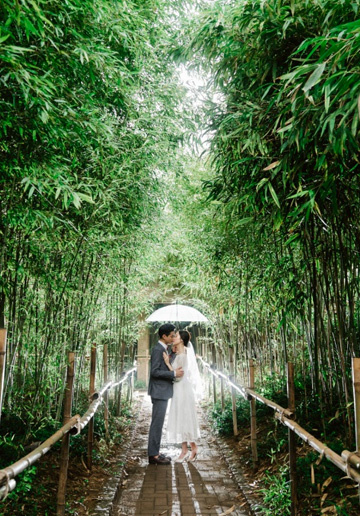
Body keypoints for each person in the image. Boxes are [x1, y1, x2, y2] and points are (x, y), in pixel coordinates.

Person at [147, 323, 184, 465]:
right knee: (157, 423)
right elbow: (154, 372)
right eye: (172, 335)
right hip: (159, 391)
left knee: (158, 422)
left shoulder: (164, 348)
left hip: (161, 391)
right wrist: (173, 373)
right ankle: (153, 455)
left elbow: (164, 365)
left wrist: (173, 354)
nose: (174, 337)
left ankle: (155, 452)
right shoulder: (157, 349)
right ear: (164, 336)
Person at [163, 330, 202, 462]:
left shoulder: (183, 355)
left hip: (183, 389)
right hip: (179, 389)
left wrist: (168, 363)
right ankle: (186, 449)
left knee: (184, 417)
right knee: (181, 418)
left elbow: (178, 375)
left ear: (182, 340)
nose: (174, 337)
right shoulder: (179, 352)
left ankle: (190, 449)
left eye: (177, 336)